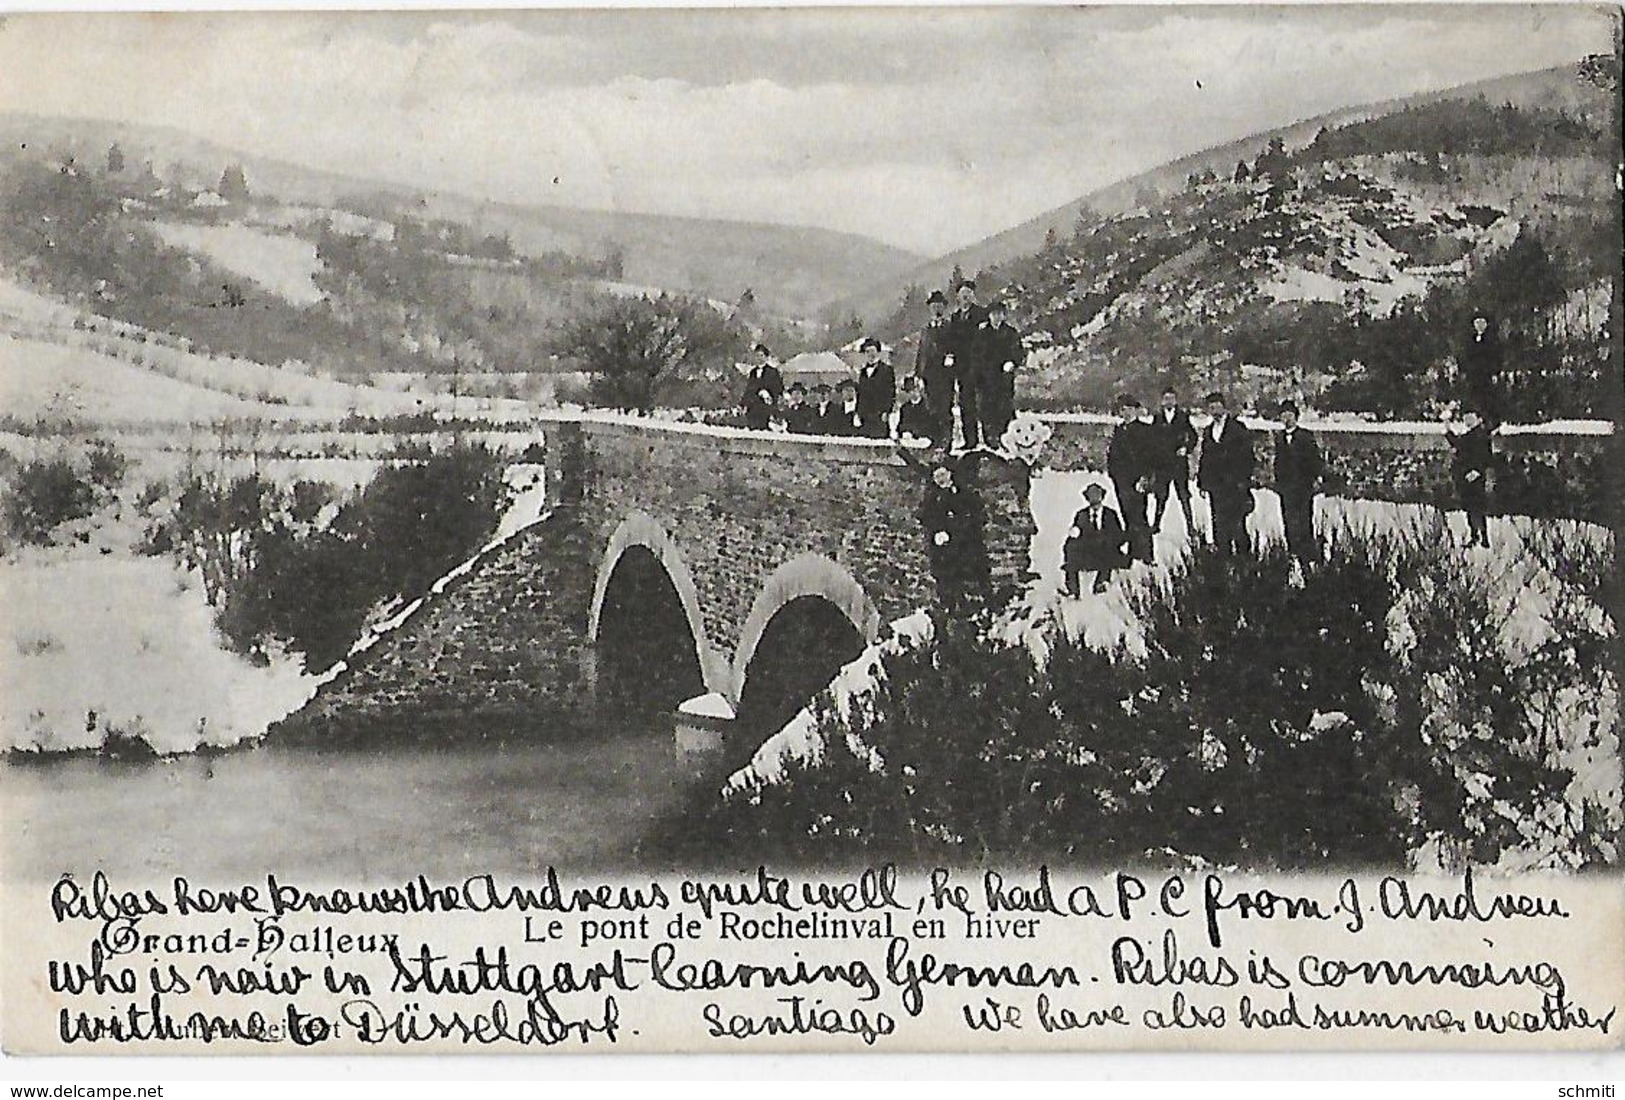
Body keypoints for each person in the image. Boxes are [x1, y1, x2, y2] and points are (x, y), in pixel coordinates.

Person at [916, 460, 989, 613]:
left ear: (950, 474)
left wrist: (954, 531)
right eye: (936, 477)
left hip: (965, 546)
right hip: (943, 550)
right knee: (945, 578)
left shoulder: (964, 493)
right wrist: (937, 532)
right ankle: (949, 605)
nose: (940, 479)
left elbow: (976, 516)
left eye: (942, 474)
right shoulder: (933, 497)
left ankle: (975, 607)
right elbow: (926, 517)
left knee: (968, 576)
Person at [1196, 391, 1255, 556]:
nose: (1214, 410)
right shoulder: (1209, 431)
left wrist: (1243, 481)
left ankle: (1244, 559)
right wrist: (1202, 482)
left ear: (1224, 407)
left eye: (1217, 406)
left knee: (1237, 524)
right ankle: (1224, 557)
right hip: (1216, 486)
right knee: (1219, 523)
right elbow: (1205, 457)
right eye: (1211, 408)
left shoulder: (1237, 429)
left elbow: (1247, 457)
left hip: (1235, 486)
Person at [1273, 400, 1323, 563]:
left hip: (1303, 485)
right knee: (1288, 517)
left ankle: (1307, 554)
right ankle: (1292, 551)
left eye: (1290, 415)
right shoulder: (1279, 437)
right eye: (1283, 415)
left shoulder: (1305, 436)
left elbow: (1314, 460)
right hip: (1286, 486)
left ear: (1296, 417)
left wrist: (1315, 478)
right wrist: (1278, 481)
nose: (1286, 418)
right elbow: (1278, 461)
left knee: (1304, 518)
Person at [1107, 394, 1156, 563]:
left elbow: (1151, 457)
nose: (1125, 412)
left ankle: (1146, 554)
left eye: (1128, 409)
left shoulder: (1144, 430)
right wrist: (1113, 474)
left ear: (1136, 410)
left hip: (1137, 481)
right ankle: (1133, 552)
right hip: (1121, 481)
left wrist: (1145, 477)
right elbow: (1113, 455)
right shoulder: (1120, 430)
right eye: (1122, 409)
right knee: (1127, 515)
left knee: (1139, 516)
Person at [1062, 481, 1128, 596]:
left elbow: (1119, 536)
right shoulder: (1081, 515)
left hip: (1106, 551)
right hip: (1087, 551)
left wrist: (1106, 540)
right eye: (1091, 495)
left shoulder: (1110, 515)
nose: (1094, 498)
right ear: (1087, 498)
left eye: (1097, 495)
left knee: (1109, 555)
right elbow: (1074, 535)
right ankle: (1073, 590)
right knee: (1071, 553)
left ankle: (1101, 583)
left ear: (1102, 496)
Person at [1148, 387, 1198, 534]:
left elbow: (1193, 437)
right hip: (1162, 464)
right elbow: (1152, 439)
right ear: (1162, 401)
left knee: (1184, 495)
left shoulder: (1183, 417)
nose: (1169, 401)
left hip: (1178, 464)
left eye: (1171, 398)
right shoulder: (1157, 418)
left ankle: (1190, 526)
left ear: (1176, 400)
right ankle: (1156, 524)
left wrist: (1186, 448)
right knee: (1161, 496)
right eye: (1166, 398)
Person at [947, 280, 990, 448]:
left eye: (968, 294)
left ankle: (988, 440)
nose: (965, 297)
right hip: (963, 370)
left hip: (981, 369)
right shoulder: (955, 317)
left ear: (974, 295)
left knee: (984, 405)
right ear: (958, 297)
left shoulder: (982, 315)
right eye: (962, 295)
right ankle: (969, 441)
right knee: (967, 405)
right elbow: (951, 341)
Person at [975, 300, 1023, 446]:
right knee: (986, 412)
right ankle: (990, 441)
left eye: (999, 314)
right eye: (993, 314)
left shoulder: (1010, 333)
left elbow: (1019, 353)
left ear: (1004, 316)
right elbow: (974, 355)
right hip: (985, 380)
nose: (996, 317)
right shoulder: (982, 333)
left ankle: (1006, 441)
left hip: (1003, 380)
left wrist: (1012, 362)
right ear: (989, 316)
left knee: (1004, 410)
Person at [1448, 407, 1493, 548]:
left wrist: (1477, 471)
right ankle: (1476, 536)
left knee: (1476, 507)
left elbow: (1485, 457)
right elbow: (1459, 445)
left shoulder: (1479, 436)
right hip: (1467, 475)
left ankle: (1482, 537)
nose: (1466, 419)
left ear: (1477, 419)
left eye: (1470, 417)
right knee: (1471, 507)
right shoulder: (1471, 435)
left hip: (1475, 476)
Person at [914, 291, 955, 445]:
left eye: (939, 306)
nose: (936, 309)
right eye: (933, 306)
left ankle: (946, 442)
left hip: (944, 375)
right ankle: (933, 441)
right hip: (928, 375)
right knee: (929, 408)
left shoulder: (950, 327)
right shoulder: (925, 330)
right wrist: (917, 374)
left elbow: (955, 347)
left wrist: (950, 358)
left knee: (944, 409)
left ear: (944, 308)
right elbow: (921, 352)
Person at [1460, 314, 1504, 428]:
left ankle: (1491, 423)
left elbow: (1496, 357)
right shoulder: (1470, 339)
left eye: (1482, 322)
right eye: (1477, 322)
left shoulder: (1492, 339)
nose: (1479, 325)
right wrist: (1465, 370)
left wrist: (1495, 372)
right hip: (1474, 374)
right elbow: (1465, 356)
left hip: (1486, 374)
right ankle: (1476, 422)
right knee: (1475, 397)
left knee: (1488, 398)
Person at [854, 337, 896, 439]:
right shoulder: (863, 372)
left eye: (872, 351)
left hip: (879, 414)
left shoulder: (886, 370)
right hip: (865, 414)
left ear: (878, 352)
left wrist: (886, 411)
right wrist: (858, 412)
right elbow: (860, 394)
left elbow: (890, 393)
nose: (870, 354)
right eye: (867, 351)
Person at [741, 343, 783, 430]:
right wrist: (744, 403)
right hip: (753, 408)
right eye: (757, 356)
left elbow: (778, 388)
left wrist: (768, 393)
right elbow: (749, 389)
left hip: (765, 408)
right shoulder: (753, 372)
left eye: (761, 355)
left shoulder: (772, 372)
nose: (759, 358)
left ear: (766, 357)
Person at [895, 374, 934, 442]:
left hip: (924, 441)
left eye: (914, 389)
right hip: (908, 441)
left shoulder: (928, 407)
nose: (912, 393)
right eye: (909, 391)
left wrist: (914, 432)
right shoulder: (905, 408)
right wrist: (905, 432)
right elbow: (901, 426)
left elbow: (929, 427)